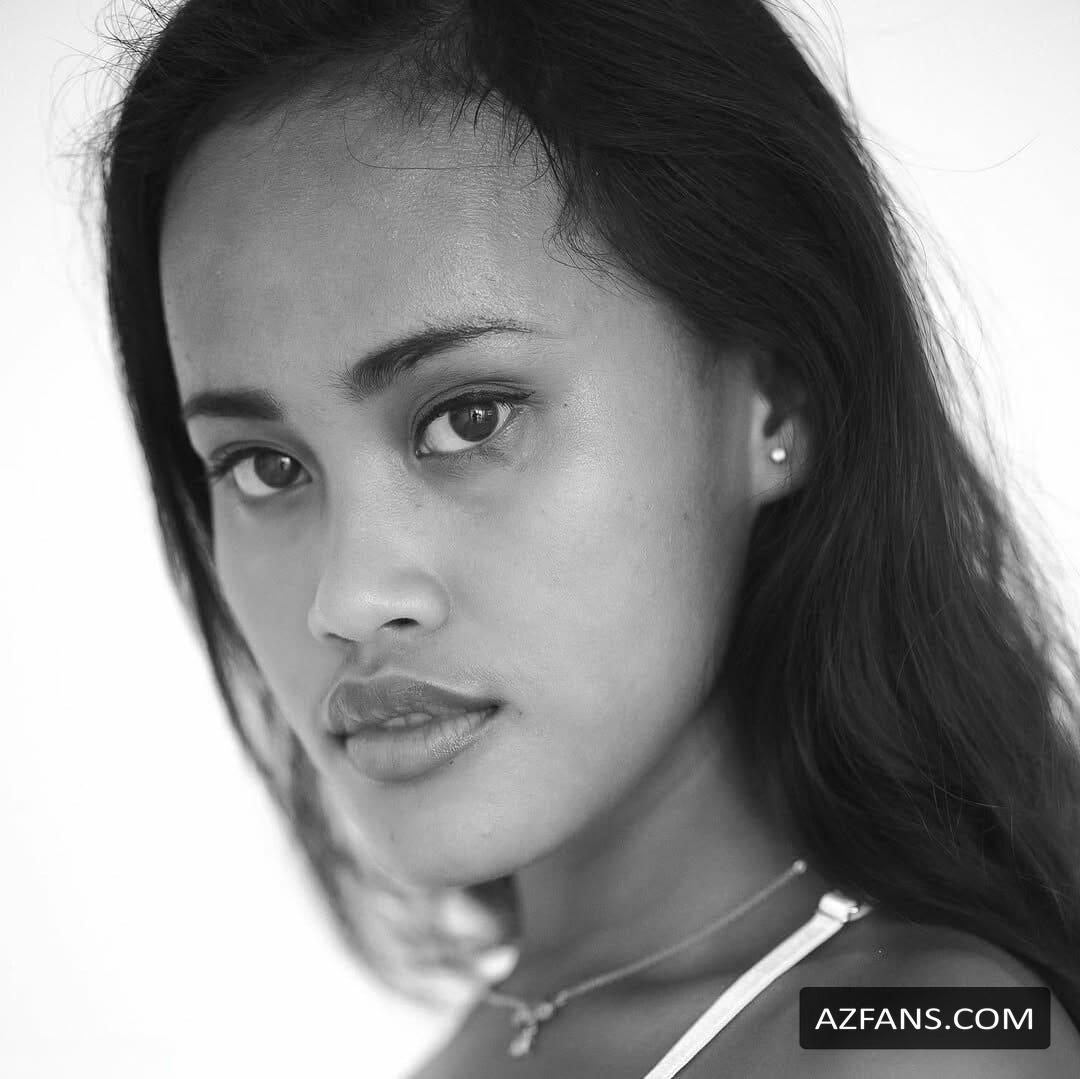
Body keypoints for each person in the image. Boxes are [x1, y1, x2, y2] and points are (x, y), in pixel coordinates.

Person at [92, 1, 1080, 1075]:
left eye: (470, 417)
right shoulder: (493, 1043)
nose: (348, 597)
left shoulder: (932, 1038)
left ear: (778, 400)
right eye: (264, 466)